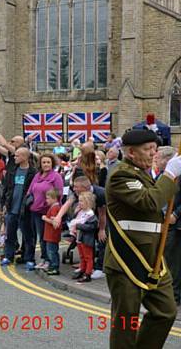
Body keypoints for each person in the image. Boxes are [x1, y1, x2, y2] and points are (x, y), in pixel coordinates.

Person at [104, 128, 181, 348]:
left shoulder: (147, 175)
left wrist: (167, 176)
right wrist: (170, 175)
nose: (152, 153)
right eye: (147, 149)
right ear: (130, 152)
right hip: (127, 257)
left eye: (155, 149)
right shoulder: (121, 174)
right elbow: (150, 202)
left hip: (154, 258)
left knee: (166, 311)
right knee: (126, 324)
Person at [0, 147, 37, 267]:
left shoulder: (33, 172)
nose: (14, 158)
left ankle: (29, 258)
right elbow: (7, 189)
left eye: (17, 156)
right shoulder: (12, 171)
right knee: (10, 235)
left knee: (28, 236)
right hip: (12, 208)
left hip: (25, 209)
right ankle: (8, 256)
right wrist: (5, 204)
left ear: (25, 157)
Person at [26, 154, 64, 270]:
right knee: (41, 237)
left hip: (50, 212)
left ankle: (51, 261)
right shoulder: (37, 176)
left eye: (48, 162)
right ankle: (44, 259)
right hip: (37, 212)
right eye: (44, 162)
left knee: (50, 238)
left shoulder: (56, 176)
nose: (46, 164)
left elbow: (59, 194)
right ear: (40, 164)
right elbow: (30, 191)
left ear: (52, 163)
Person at [69, 191, 98, 283]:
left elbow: (91, 227)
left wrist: (78, 226)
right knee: (82, 256)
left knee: (88, 257)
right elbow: (74, 219)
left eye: (81, 201)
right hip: (79, 238)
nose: (79, 203)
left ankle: (88, 274)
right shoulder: (81, 212)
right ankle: (82, 270)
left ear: (88, 202)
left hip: (86, 239)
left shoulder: (91, 214)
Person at [41, 188, 62, 275]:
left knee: (52, 251)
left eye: (48, 198)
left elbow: (55, 223)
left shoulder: (55, 208)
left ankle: (55, 267)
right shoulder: (54, 207)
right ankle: (51, 266)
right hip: (50, 235)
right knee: (50, 251)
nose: (46, 200)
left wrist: (45, 218)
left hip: (52, 235)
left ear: (54, 198)